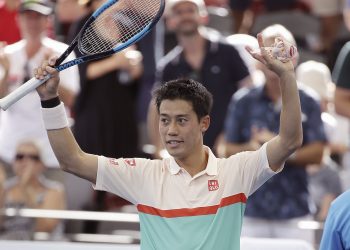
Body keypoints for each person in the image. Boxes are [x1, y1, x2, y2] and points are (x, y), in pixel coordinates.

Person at [33, 31, 302, 249]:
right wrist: (49, 100)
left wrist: (287, 76)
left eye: (181, 120)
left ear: (204, 123)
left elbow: (289, 141)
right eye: (164, 120)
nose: (171, 130)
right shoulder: (143, 174)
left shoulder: (237, 171)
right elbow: (71, 160)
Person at [223, 25, 326, 243]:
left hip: (293, 211)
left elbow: (318, 152)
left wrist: (277, 150)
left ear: (293, 55)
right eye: (267, 50)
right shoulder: (243, 100)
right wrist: (253, 149)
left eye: (279, 49)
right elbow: (226, 148)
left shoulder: (309, 100)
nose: (272, 56)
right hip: (250, 209)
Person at [148, 0, 253, 158]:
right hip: (188, 155)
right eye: (178, 12)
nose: (185, 16)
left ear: (204, 16)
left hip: (231, 150)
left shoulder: (228, 52)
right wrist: (158, 150)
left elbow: (250, 93)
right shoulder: (168, 66)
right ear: (169, 22)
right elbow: (156, 107)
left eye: (190, 10)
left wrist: (232, 132)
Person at [0, 0, 80, 179]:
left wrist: (53, 76)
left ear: (48, 21)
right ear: (18, 20)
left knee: (51, 203)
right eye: (28, 17)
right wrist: (5, 72)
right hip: (10, 149)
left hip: (50, 152)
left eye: (39, 17)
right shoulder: (7, 54)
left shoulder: (61, 53)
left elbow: (72, 100)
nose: (33, 23)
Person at [0, 139, 66, 241]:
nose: (25, 161)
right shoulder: (5, 189)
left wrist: (25, 188)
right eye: (20, 157)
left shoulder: (54, 190)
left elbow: (44, 229)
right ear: (13, 162)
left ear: (43, 165)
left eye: (33, 157)